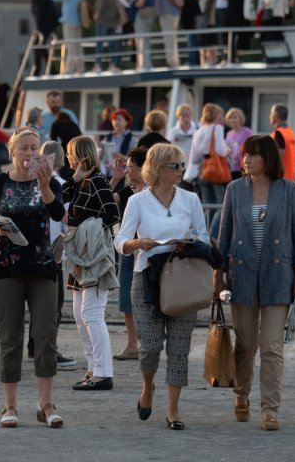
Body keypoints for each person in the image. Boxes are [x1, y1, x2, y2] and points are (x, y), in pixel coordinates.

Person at [214, 135, 295, 430]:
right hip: (241, 277)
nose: (247, 159)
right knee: (245, 345)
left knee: (271, 346)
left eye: (254, 154)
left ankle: (270, 408)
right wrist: (217, 277)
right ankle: (241, 395)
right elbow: (224, 235)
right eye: (245, 154)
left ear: (268, 157)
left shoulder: (288, 190)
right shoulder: (234, 189)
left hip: (278, 277)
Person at [114, 143, 209, 430]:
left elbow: (203, 236)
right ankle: (147, 386)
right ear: (157, 169)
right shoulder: (138, 201)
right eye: (175, 166)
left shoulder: (191, 199)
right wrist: (136, 243)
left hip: (183, 278)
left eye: (181, 165)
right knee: (151, 346)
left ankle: (173, 408)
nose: (181, 170)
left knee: (179, 348)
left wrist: (189, 243)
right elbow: (120, 242)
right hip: (147, 279)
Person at [0, 128, 66, 427]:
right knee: (10, 337)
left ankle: (46, 405)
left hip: (42, 266)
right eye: (24, 148)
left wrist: (44, 186)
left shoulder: (50, 181)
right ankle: (9, 406)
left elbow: (58, 214)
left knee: (45, 336)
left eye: (35, 149)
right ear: (13, 151)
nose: (30, 154)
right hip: (5, 267)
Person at [63, 136, 120, 391]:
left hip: (95, 256)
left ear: (79, 155)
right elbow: (57, 199)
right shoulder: (82, 181)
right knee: (79, 314)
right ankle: (93, 367)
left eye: (69, 154)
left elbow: (111, 214)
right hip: (81, 257)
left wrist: (82, 224)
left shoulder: (97, 181)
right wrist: (74, 179)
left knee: (91, 314)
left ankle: (103, 372)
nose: (67, 159)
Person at [25, 141, 77, 370]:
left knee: (37, 302)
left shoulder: (27, 181)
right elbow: (65, 219)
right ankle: (47, 348)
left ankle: (33, 345)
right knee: (52, 303)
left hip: (32, 246)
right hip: (52, 249)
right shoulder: (62, 184)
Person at [109, 146, 148, 360]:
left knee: (150, 298)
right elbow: (101, 201)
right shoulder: (127, 192)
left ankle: (149, 342)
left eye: (130, 166)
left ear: (144, 168)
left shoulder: (155, 191)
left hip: (149, 251)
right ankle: (132, 343)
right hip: (128, 248)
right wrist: (114, 179)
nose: (127, 170)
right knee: (127, 298)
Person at [188, 103, 229, 237]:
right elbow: (221, 151)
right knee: (221, 206)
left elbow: (194, 158)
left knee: (208, 205)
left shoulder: (198, 131)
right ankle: (213, 234)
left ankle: (204, 234)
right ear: (216, 116)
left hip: (202, 172)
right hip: (216, 172)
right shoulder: (217, 128)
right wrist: (229, 150)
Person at [17, 0, 59, 75]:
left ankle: (38, 69)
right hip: (46, 23)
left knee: (37, 45)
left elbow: (40, 12)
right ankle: (51, 69)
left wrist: (38, 29)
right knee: (40, 46)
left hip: (47, 23)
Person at [48, 0, 85, 75]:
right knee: (77, 45)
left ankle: (70, 69)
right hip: (77, 21)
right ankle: (80, 68)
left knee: (71, 45)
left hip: (70, 21)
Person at [93, 0, 122, 72]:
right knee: (112, 44)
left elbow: (100, 7)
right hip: (112, 22)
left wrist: (96, 16)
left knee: (99, 44)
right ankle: (113, 65)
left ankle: (98, 65)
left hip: (103, 22)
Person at [156, 0, 183, 68]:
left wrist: (176, 5)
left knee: (169, 37)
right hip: (173, 13)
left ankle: (172, 61)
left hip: (168, 13)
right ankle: (174, 60)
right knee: (172, 37)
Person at [101, 109, 138, 177]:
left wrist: (122, 157)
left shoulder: (132, 139)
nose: (116, 122)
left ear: (126, 122)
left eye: (119, 120)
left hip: (124, 175)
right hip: (108, 174)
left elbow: (135, 161)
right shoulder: (108, 136)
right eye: (114, 120)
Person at [134, 0, 158, 70]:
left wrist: (133, 4)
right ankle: (148, 64)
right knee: (147, 41)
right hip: (150, 17)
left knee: (141, 42)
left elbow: (140, 3)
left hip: (142, 17)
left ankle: (144, 65)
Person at [180, 0, 202, 67]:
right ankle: (192, 60)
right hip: (187, 18)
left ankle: (195, 61)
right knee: (190, 40)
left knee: (194, 40)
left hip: (194, 17)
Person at [269, 104, 295, 182]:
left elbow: (279, 156)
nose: (270, 116)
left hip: (280, 178)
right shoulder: (290, 132)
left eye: (271, 114)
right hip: (291, 178)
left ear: (275, 116)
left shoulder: (279, 133)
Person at [199, 0, 219, 65]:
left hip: (209, 14)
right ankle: (207, 59)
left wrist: (206, 11)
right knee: (206, 37)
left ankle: (212, 59)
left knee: (211, 37)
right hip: (204, 12)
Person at [225, 107, 253, 180]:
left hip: (244, 166)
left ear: (240, 118)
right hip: (231, 167)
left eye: (235, 117)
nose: (232, 119)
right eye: (230, 117)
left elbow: (252, 147)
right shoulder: (228, 134)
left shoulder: (247, 132)